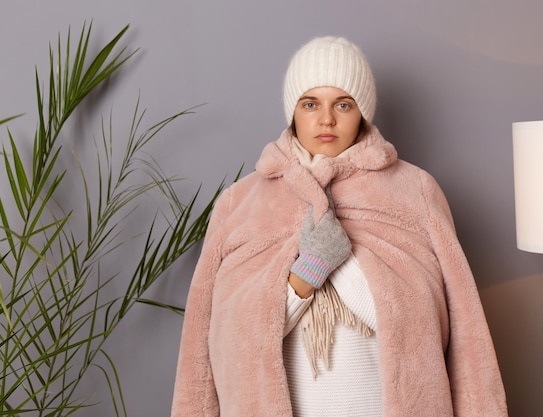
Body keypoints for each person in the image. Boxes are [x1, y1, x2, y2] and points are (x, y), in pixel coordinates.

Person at [170, 36, 508, 416]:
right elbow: (218, 344)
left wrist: (340, 260)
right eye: (310, 103)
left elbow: (447, 331)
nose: (326, 119)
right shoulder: (241, 202)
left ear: (362, 112)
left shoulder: (414, 190)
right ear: (293, 112)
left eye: (343, 104)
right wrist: (307, 272)